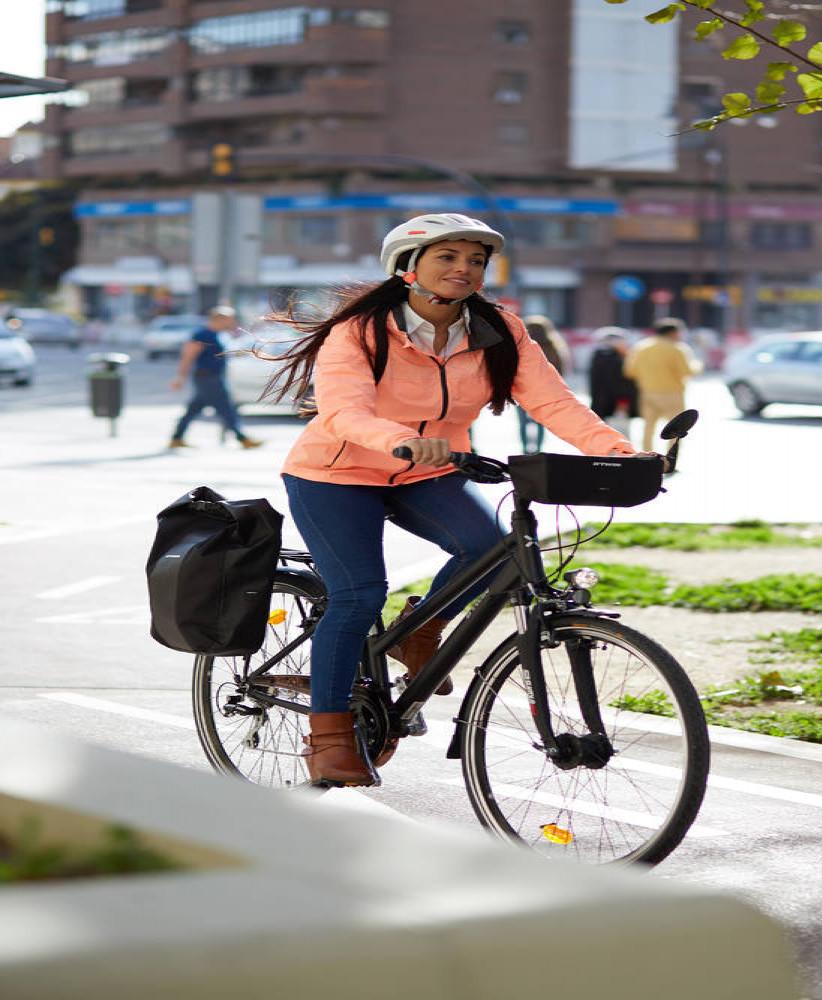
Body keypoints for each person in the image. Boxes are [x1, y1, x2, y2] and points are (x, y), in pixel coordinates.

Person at [266, 213, 649, 787]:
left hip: (429, 468)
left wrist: (617, 452)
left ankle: (423, 627)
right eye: (448, 258)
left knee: (492, 546)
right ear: (408, 267)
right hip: (337, 472)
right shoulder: (362, 331)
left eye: (476, 260)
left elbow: (553, 402)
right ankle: (329, 737)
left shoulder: (499, 330)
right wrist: (400, 440)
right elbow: (343, 411)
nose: (465, 269)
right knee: (360, 594)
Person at [167, 306, 263, 450]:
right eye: (230, 319)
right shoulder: (202, 335)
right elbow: (188, 356)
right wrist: (180, 377)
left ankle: (176, 438)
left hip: (213, 377)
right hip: (207, 378)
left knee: (193, 409)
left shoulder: (219, 334)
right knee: (226, 408)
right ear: (219, 319)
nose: (232, 322)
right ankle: (242, 438)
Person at [624, 317, 703, 462]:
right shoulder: (677, 348)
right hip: (672, 393)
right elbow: (688, 371)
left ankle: (646, 457)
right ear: (673, 333)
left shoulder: (641, 347)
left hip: (647, 392)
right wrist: (698, 364)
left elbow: (630, 371)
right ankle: (670, 459)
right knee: (676, 429)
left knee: (648, 427)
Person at [516, 314, 570, 453]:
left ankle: (525, 448)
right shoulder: (553, 347)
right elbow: (559, 370)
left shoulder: (520, 346)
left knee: (522, 422)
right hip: (544, 391)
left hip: (522, 390)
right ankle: (538, 449)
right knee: (540, 421)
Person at [587, 327, 638, 438]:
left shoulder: (597, 356)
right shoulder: (618, 359)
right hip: (618, 401)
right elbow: (624, 382)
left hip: (600, 399)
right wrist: (624, 400)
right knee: (620, 431)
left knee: (602, 429)